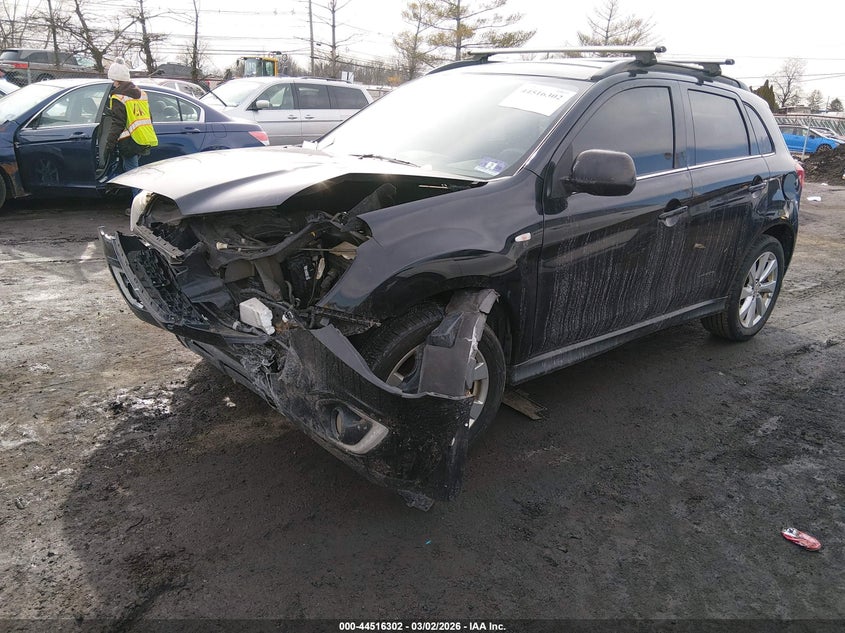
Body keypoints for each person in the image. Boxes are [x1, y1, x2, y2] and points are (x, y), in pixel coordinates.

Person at [100, 57, 158, 202]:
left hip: (129, 141)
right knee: (134, 170)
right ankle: (140, 200)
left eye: (113, 81)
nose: (113, 84)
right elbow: (149, 117)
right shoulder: (141, 94)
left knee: (134, 174)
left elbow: (117, 123)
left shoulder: (118, 97)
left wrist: (109, 144)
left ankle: (140, 206)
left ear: (117, 80)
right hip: (143, 137)